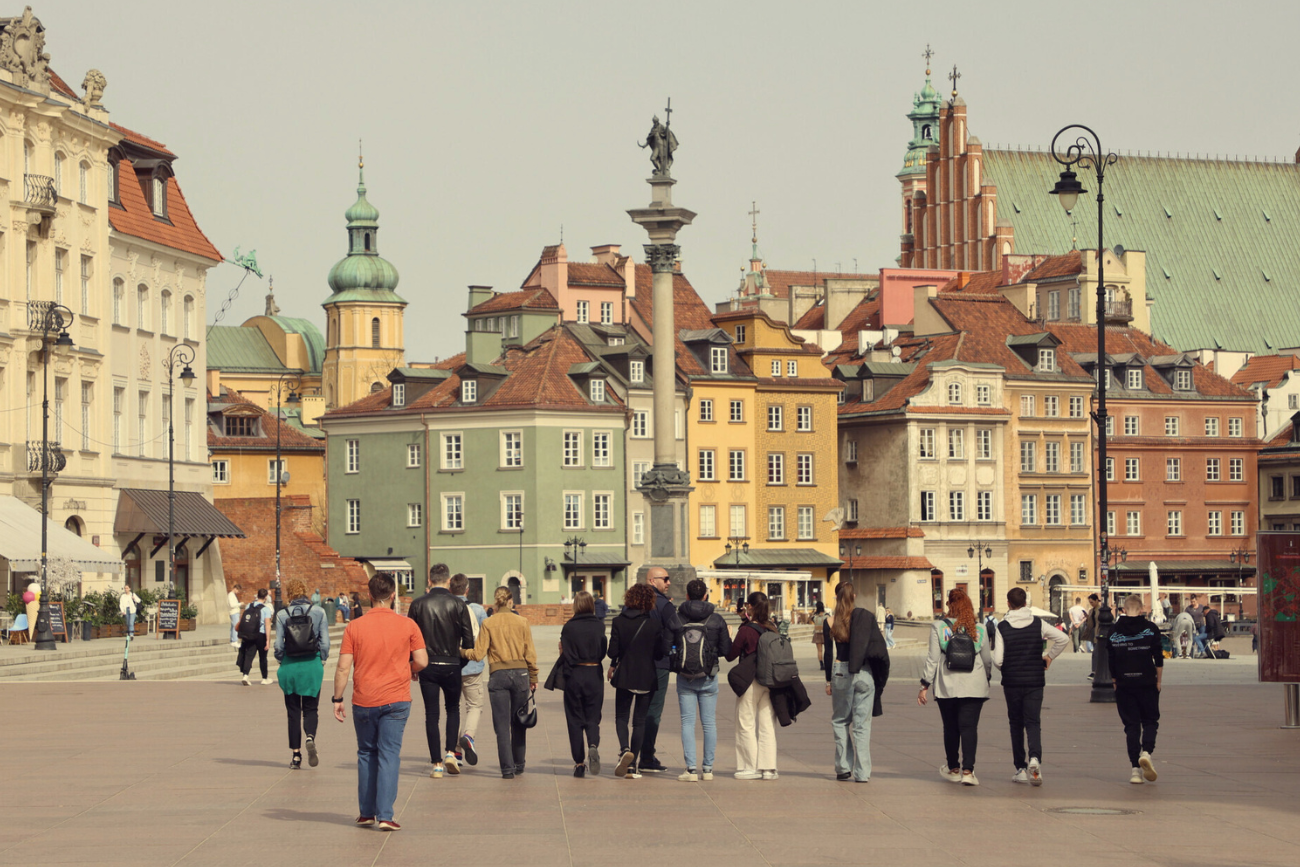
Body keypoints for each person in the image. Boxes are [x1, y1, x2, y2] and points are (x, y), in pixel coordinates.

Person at [332, 575, 427, 831]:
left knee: (366, 753)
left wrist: (337, 698)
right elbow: (422, 660)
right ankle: (386, 815)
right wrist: (408, 668)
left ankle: (366, 813)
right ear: (393, 595)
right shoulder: (407, 625)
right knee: (389, 754)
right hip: (396, 699)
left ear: (369, 595)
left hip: (364, 699)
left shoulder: (355, 627)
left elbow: (343, 668)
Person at [992, 587, 1069, 786]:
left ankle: (1021, 768)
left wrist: (1009, 666)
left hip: (1012, 682)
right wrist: (1049, 657)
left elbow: (998, 660)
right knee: (1033, 721)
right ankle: (1035, 758)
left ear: (1008, 604)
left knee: (1016, 723)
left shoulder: (1003, 626)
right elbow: (1063, 638)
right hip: (1035, 680)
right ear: (1025, 603)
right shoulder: (1038, 623)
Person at [462, 587, 539, 779]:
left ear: (496, 602)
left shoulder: (488, 623)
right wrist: (534, 677)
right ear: (511, 601)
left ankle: (507, 769)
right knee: (519, 722)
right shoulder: (522, 622)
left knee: (502, 725)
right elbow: (530, 654)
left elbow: (478, 654)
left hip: (498, 675)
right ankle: (519, 764)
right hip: (521, 675)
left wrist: (461, 651)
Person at [407, 563, 476, 779]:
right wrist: (458, 662)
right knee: (453, 709)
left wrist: (414, 664)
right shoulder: (458, 604)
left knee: (431, 714)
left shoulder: (417, 604)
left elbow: (409, 638)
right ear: (448, 581)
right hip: (452, 663)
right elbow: (469, 640)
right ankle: (449, 753)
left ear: (429, 580)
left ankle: (436, 763)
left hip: (427, 664)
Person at [919, 587, 993, 786]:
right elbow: (987, 660)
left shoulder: (938, 627)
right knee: (969, 727)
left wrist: (925, 684)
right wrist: (986, 677)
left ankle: (953, 768)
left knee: (950, 727)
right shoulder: (980, 629)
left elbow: (933, 659)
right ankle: (968, 771)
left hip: (947, 685)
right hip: (974, 684)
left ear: (949, 605)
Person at [823, 582, 890, 783]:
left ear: (836, 597)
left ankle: (843, 767)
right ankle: (862, 773)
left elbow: (828, 654)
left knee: (840, 720)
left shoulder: (830, 621)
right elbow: (879, 648)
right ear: (854, 596)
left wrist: (828, 680)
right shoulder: (865, 617)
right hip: (864, 672)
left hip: (841, 671)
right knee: (862, 726)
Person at [607, 582, 666, 779]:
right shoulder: (654, 624)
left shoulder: (618, 621)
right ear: (650, 601)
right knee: (639, 721)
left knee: (621, 717)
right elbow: (660, 654)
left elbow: (612, 652)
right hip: (647, 677)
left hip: (625, 676)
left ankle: (624, 749)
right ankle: (633, 767)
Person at [676, 579, 732, 782]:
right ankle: (707, 769)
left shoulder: (677, 618)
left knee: (687, 722)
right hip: (709, 675)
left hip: (684, 677)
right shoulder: (716, 619)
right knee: (709, 723)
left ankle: (690, 769)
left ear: (687, 595)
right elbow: (727, 651)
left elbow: (665, 647)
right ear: (706, 595)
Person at [275, 578, 330, 770]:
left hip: (290, 666)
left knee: (293, 712)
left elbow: (278, 645)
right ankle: (310, 736)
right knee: (311, 708)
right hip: (311, 664)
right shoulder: (319, 612)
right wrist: (321, 659)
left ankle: (296, 755)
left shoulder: (282, 614)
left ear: (289, 594)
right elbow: (324, 643)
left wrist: (281, 660)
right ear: (305, 591)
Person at [1108, 595, 1163, 784]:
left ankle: (1135, 770)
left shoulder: (1114, 631)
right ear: (1141, 609)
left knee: (1131, 726)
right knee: (1150, 721)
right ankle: (1146, 752)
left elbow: (1111, 661)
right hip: (1147, 681)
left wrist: (1115, 682)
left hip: (1124, 684)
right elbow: (1158, 658)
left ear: (1123, 610)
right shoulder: (1151, 629)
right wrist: (1159, 681)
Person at [727, 591, 780, 781]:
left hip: (750, 680)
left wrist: (731, 635)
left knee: (745, 722)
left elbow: (731, 655)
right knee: (767, 724)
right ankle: (768, 768)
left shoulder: (746, 630)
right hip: (771, 680)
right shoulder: (773, 628)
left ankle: (749, 766)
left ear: (749, 606)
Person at [638, 567, 682, 773]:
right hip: (659, 663)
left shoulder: (634, 605)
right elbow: (677, 629)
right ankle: (646, 755)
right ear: (652, 581)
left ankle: (630, 752)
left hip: (637, 664)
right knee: (653, 710)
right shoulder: (664, 605)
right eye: (665, 579)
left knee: (638, 709)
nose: (668, 582)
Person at [559, 590, 607, 777]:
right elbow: (603, 650)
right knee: (593, 716)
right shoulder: (599, 626)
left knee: (574, 719)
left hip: (574, 675)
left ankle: (579, 763)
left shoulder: (569, 627)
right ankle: (593, 744)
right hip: (593, 671)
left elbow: (566, 654)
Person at [450, 573, 488, 768]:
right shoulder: (478, 610)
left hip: (451, 666)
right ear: (467, 589)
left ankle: (455, 752)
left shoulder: (445, 607)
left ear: (451, 589)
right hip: (472, 665)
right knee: (474, 706)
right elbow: (484, 637)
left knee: (453, 709)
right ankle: (468, 736)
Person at [237, 589, 275, 686]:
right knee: (263, 657)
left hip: (250, 635)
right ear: (266, 597)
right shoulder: (266, 609)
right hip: (261, 635)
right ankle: (264, 678)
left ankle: (245, 675)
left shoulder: (249, 606)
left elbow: (243, 619)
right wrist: (267, 640)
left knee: (249, 655)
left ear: (257, 596)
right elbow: (267, 625)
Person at [811, 601, 828, 671]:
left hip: (817, 634)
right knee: (827, 650)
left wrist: (815, 612)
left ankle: (821, 664)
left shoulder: (814, 616)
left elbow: (811, 619)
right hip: (825, 633)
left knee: (819, 650)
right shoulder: (826, 615)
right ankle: (827, 663)